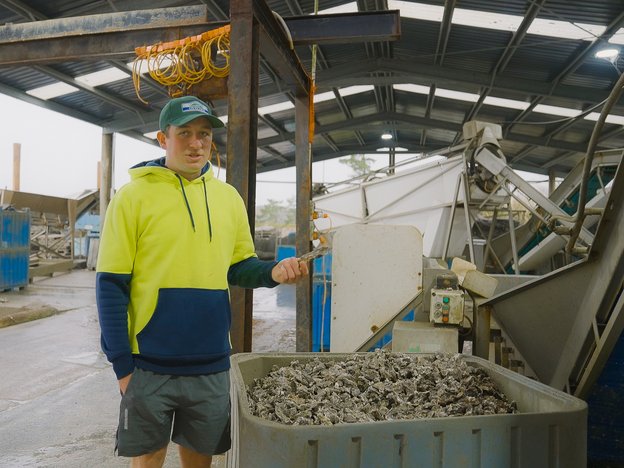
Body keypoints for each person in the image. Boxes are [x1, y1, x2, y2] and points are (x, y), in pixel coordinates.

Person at [96, 95, 308, 467]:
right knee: (148, 458)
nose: (196, 143)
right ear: (163, 139)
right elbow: (111, 286)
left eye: (205, 135)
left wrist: (273, 272)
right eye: (186, 134)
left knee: (201, 459)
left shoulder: (228, 199)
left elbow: (239, 266)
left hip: (210, 360)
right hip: (149, 362)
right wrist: (122, 365)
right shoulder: (132, 198)